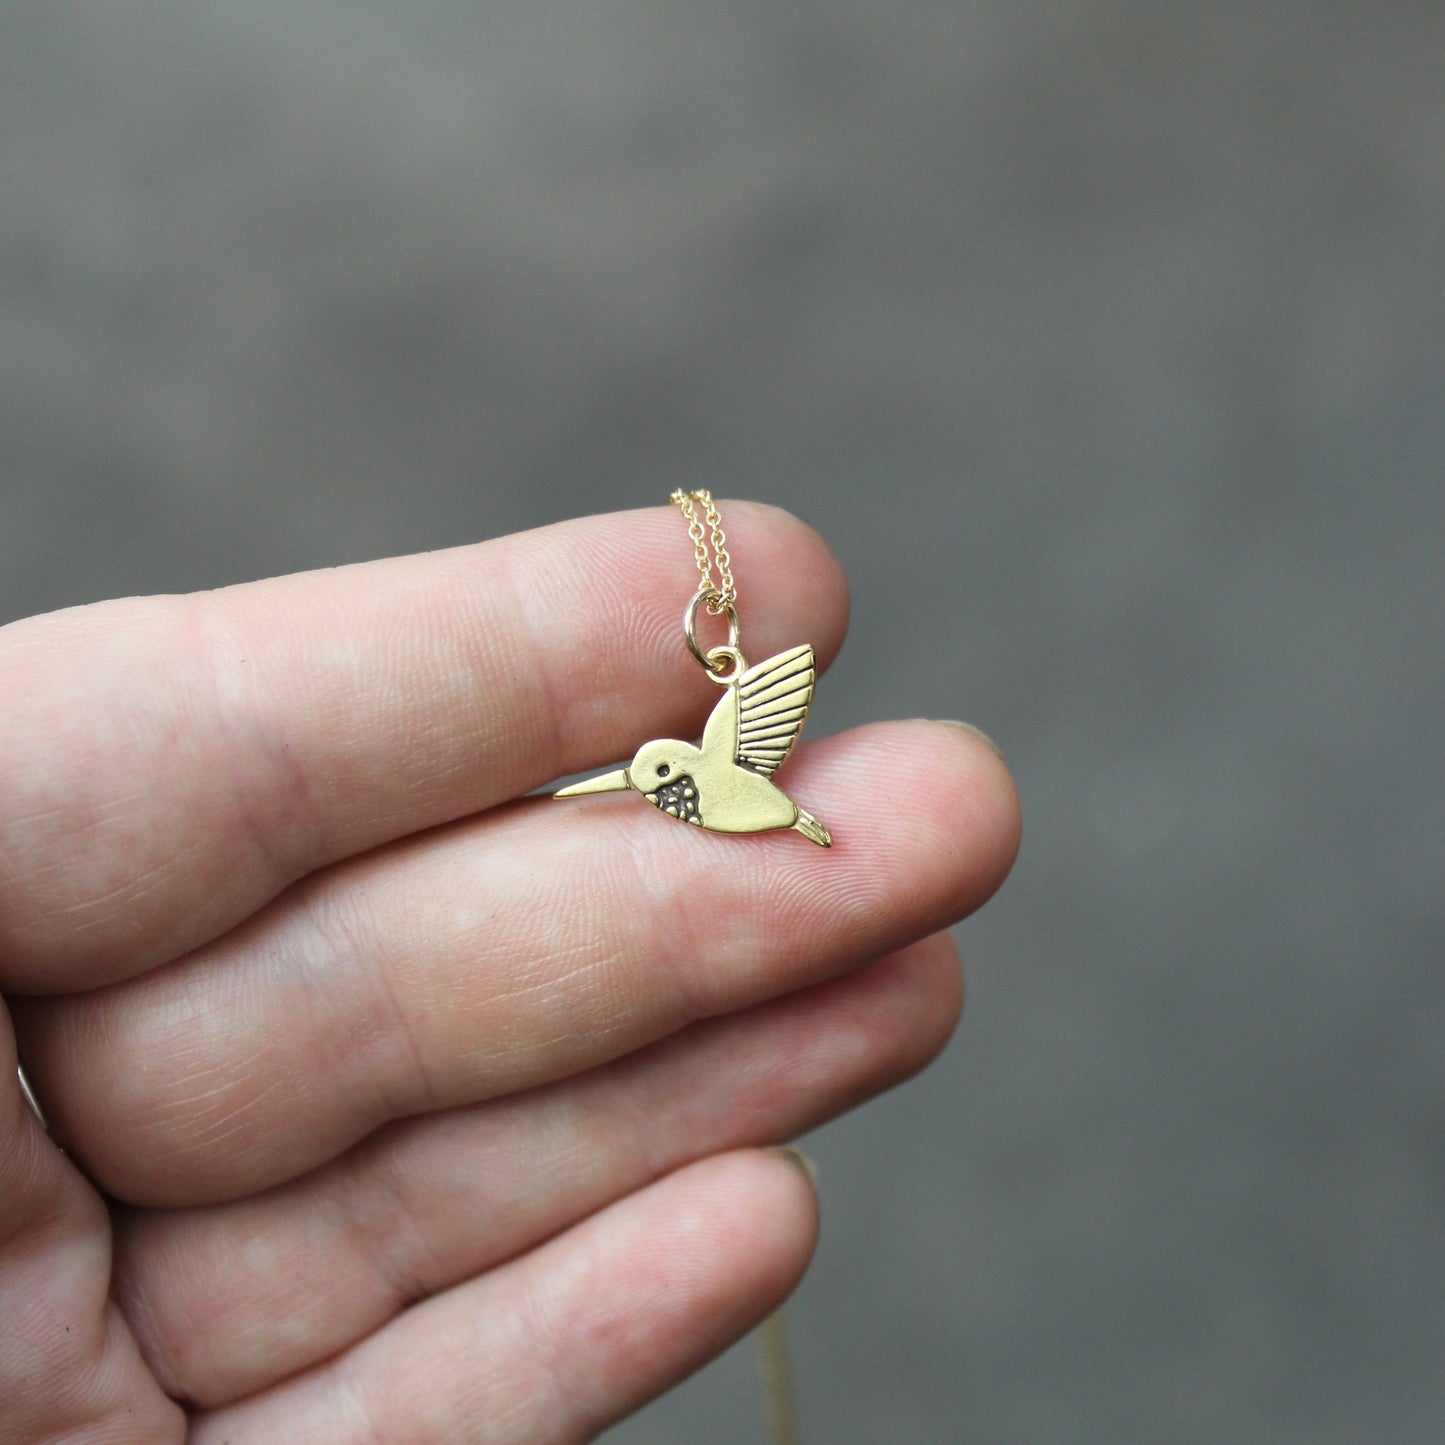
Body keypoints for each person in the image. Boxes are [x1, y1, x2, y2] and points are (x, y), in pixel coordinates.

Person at [0, 502, 1020, 1443]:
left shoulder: (714, 758)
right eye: (653, 777)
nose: (648, 782)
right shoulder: (679, 776)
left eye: (653, 776)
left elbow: (745, 707)